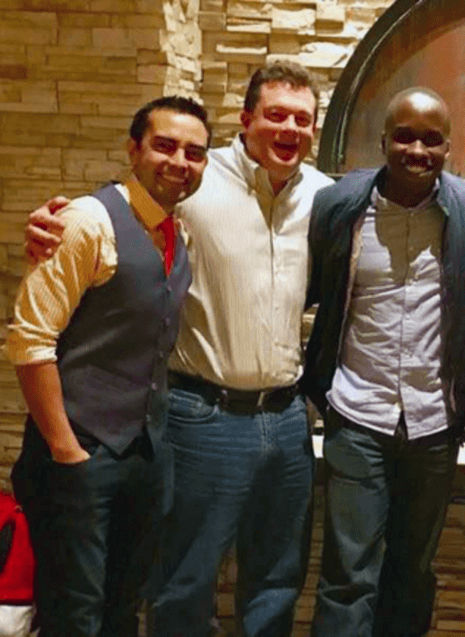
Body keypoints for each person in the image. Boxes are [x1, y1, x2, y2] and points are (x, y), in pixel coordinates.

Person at [23, 61, 335, 637]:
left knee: (277, 577)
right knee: (183, 582)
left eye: (302, 119)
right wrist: (49, 222)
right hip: (204, 414)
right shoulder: (193, 178)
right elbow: (116, 211)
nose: (289, 128)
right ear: (246, 120)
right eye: (275, 115)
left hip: (289, 418)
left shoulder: (326, 197)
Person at [8, 96, 209, 637]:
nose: (179, 162)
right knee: (73, 616)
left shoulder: (177, 233)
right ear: (134, 149)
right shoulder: (85, 222)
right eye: (165, 146)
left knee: (123, 608)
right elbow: (30, 339)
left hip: (143, 452)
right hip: (79, 452)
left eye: (194, 152)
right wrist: (64, 449)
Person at [303, 87, 465, 637]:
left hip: (434, 423)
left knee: (413, 571)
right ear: (384, 140)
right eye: (405, 136)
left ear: (448, 147)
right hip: (358, 415)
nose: (417, 149)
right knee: (348, 575)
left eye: (431, 139)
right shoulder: (339, 207)